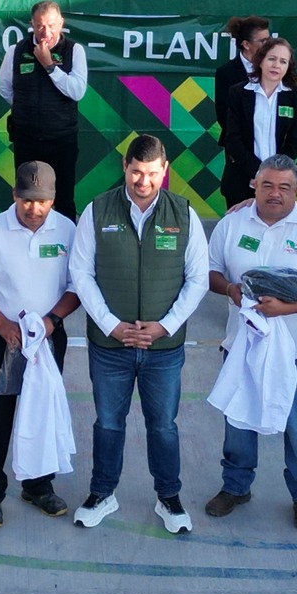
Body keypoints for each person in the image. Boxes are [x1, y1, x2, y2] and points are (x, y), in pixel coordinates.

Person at [67, 133, 210, 533]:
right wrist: (111, 325)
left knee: (163, 426)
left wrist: (165, 326)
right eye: (135, 172)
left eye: (151, 173)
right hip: (109, 346)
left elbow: (198, 279)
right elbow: (81, 273)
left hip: (163, 348)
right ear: (124, 168)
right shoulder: (97, 211)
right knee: (108, 423)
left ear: (165, 171)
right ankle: (102, 493)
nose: (143, 181)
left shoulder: (184, 213)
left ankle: (169, 497)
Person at [203, 155, 297, 528]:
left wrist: (284, 309)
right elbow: (209, 272)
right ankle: (235, 487)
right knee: (238, 421)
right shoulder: (231, 224)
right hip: (240, 347)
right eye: (267, 185)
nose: (275, 193)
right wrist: (231, 290)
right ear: (254, 186)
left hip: (295, 352)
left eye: (284, 187)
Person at [0, 161, 81, 526]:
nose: (34, 208)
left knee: (41, 412)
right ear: (14, 194)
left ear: (53, 198)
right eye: (27, 200)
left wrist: (52, 320)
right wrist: (2, 324)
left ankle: (38, 486)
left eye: (42, 201)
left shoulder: (68, 231)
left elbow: (78, 285)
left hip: (46, 340)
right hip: (1, 340)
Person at [0, 0, 89, 218]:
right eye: (40, 26)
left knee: (64, 199)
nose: (45, 32)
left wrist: (50, 66)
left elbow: (77, 91)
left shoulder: (74, 50)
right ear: (31, 24)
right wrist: (27, 108)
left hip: (62, 139)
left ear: (61, 23)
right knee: (26, 197)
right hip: (26, 139)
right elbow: (5, 88)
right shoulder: (16, 51)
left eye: (51, 25)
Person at [219, 35, 297, 207]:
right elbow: (233, 140)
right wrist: (259, 173)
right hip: (242, 178)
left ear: (288, 66)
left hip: (281, 180)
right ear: (260, 61)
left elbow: (295, 141)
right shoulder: (238, 93)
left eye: (283, 61)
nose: (276, 65)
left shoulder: (296, 95)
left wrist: (274, 175)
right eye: (272, 59)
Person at [212, 15, 271, 153]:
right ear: (246, 44)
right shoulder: (226, 72)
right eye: (263, 41)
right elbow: (224, 115)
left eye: (269, 40)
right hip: (239, 147)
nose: (269, 45)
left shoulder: (275, 69)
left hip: (272, 143)